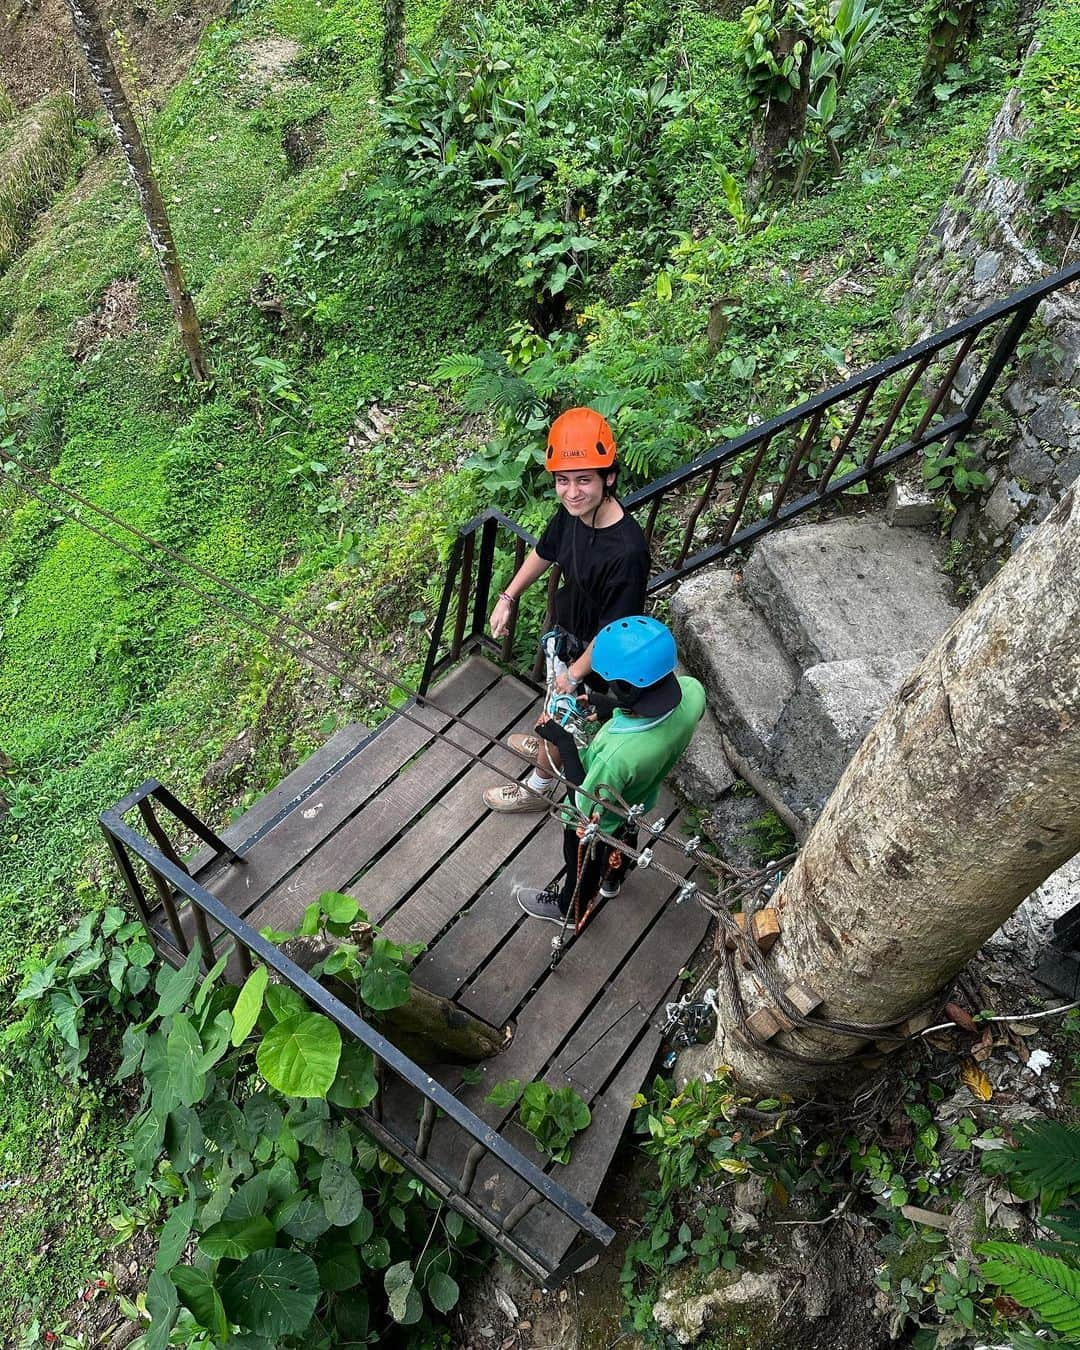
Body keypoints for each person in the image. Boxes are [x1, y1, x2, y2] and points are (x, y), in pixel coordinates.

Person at [483, 407, 650, 812]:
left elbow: (613, 632)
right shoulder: (574, 512)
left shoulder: (627, 552)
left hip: (597, 665)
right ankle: (544, 746)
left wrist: (574, 676)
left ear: (608, 477)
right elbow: (545, 550)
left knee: (566, 724)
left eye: (583, 480)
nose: (572, 492)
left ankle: (538, 787)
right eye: (563, 481)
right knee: (554, 710)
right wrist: (508, 597)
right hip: (569, 639)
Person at [513, 615, 706, 925]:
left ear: (629, 690)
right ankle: (613, 880)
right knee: (625, 836)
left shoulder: (616, 757)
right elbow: (660, 711)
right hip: (639, 798)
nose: (610, 685)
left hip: (599, 815)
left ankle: (568, 910)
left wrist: (562, 742)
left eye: (613, 683)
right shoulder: (693, 692)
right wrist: (610, 706)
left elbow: (584, 800)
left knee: (582, 862)